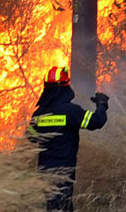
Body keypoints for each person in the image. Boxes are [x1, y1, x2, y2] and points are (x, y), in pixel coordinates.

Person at [27, 66, 109, 211]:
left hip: (44, 170)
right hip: (63, 171)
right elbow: (97, 121)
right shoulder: (71, 111)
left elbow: (31, 137)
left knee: (53, 206)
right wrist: (101, 104)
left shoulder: (39, 113)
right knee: (63, 207)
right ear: (64, 89)